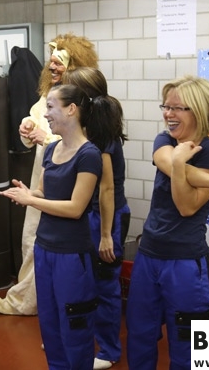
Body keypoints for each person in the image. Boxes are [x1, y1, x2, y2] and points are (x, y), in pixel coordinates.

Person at [125, 76, 209, 370]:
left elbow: (186, 206)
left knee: (186, 345)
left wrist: (181, 164)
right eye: (166, 106)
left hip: (185, 263)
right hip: (149, 255)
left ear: (198, 110)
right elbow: (166, 161)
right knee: (139, 335)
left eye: (177, 108)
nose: (168, 114)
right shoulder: (165, 140)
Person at [0, 33, 98, 316]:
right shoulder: (48, 94)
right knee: (31, 237)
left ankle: (41, 301)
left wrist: (47, 138)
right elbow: (37, 120)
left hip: (69, 182)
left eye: (59, 63)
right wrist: (27, 128)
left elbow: (83, 145)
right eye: (50, 63)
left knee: (56, 243)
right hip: (43, 176)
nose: (52, 68)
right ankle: (30, 299)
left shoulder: (85, 101)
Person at [0, 82, 103, 369]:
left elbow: (75, 208)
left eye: (50, 107)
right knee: (50, 325)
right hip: (45, 249)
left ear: (71, 109)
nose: (45, 114)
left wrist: (32, 201)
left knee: (74, 326)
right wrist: (29, 193)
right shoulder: (51, 149)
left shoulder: (89, 154)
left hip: (72, 254)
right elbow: (44, 193)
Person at [63, 67, 129, 370]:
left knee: (104, 284)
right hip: (89, 214)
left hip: (105, 216)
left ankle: (109, 349)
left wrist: (105, 234)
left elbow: (107, 189)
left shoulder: (102, 135)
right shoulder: (85, 129)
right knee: (84, 282)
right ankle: (83, 340)